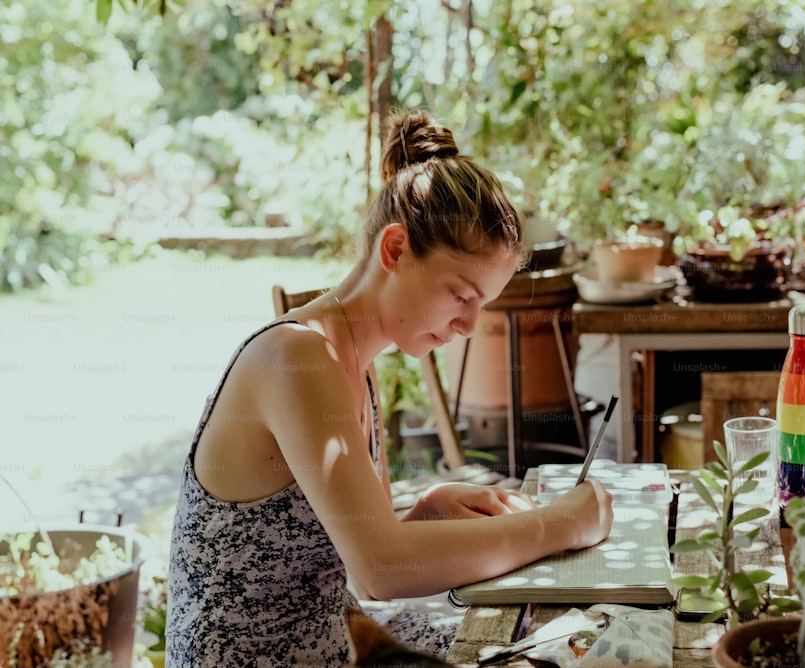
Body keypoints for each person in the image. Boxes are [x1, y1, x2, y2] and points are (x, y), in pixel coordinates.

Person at [166, 108, 614, 666]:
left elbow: (351, 545)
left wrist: (428, 509)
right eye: (460, 294)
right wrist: (563, 523)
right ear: (395, 250)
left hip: (329, 642)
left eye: (483, 304)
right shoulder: (296, 358)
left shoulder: (355, 362)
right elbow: (379, 567)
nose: (469, 326)